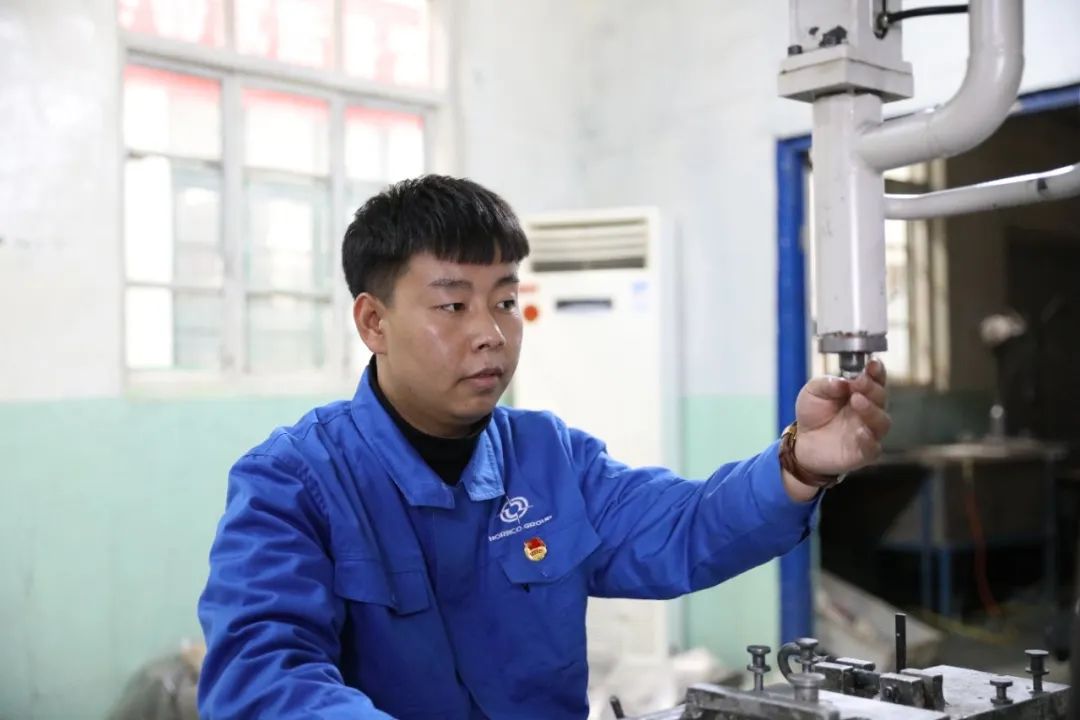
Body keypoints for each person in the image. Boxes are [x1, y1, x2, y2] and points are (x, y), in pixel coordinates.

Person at [197, 174, 891, 720]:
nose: (491, 334)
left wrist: (800, 462)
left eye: (505, 301)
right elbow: (263, 681)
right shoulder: (293, 483)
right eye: (453, 305)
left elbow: (685, 526)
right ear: (373, 321)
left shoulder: (549, 458)